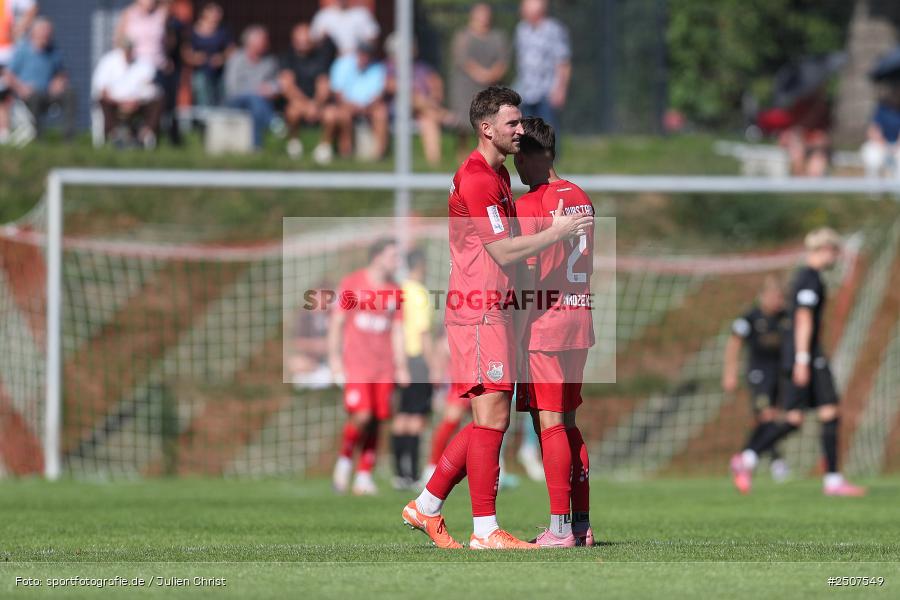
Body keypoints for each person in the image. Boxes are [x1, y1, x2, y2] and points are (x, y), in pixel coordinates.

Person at [400, 86, 593, 550]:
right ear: (486, 128)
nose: (520, 129)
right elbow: (503, 249)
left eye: (522, 122)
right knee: (492, 420)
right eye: (512, 123)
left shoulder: (499, 174)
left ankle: (426, 506)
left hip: (499, 310)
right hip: (480, 309)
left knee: (494, 419)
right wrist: (558, 231)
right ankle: (485, 530)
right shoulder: (478, 177)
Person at [730, 228, 866, 497]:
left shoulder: (802, 277)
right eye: (835, 250)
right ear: (825, 249)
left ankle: (747, 458)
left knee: (794, 419)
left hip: (799, 357)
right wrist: (804, 358)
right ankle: (833, 481)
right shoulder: (810, 278)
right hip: (808, 357)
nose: (836, 256)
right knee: (829, 412)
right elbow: (803, 317)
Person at [513, 116, 595, 548]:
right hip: (580, 320)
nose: (515, 170)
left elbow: (526, 274)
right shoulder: (581, 197)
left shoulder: (529, 206)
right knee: (569, 422)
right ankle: (581, 525)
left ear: (531, 158)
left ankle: (559, 528)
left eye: (517, 160)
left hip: (545, 325)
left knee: (550, 425)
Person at [330, 238, 409, 496]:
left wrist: (401, 366)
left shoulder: (396, 291)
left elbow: (397, 330)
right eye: (392, 256)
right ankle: (343, 463)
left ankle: (364, 475)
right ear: (377, 257)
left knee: (377, 419)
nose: (396, 261)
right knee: (362, 415)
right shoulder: (353, 283)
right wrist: (334, 359)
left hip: (383, 367)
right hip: (357, 365)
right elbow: (338, 322)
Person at [722, 276, 790, 484]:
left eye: (780, 297)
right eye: (773, 296)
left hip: (780, 374)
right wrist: (730, 373)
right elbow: (734, 344)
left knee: (773, 419)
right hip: (759, 374)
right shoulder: (749, 318)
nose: (777, 301)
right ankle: (772, 461)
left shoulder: (785, 317)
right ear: (762, 297)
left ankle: (746, 458)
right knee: (767, 416)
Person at [391, 249, 435, 490]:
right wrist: (434, 365)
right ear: (420, 265)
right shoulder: (419, 293)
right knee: (416, 419)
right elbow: (423, 332)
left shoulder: (400, 290)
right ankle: (415, 473)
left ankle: (400, 473)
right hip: (417, 359)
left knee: (402, 416)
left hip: (401, 359)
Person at [450, 3, 509, 161]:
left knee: (489, 121)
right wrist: (480, 74)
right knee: (464, 122)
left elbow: (503, 62)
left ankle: (489, 154)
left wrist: (491, 75)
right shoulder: (463, 36)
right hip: (466, 86)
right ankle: (462, 155)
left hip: (490, 86)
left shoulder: (498, 37)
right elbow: (462, 59)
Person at [315, 41, 386, 164]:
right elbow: (337, 93)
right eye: (362, 53)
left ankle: (378, 155)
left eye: (367, 54)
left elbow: (378, 94)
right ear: (357, 53)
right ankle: (345, 152)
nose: (364, 57)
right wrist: (351, 106)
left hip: (369, 107)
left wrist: (365, 107)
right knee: (342, 115)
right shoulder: (342, 64)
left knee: (381, 112)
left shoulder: (378, 68)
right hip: (345, 105)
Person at [385, 33, 450, 166]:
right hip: (398, 108)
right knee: (412, 98)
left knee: (429, 120)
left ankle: (434, 162)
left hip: (422, 111)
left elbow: (436, 85)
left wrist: (434, 95)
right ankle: (441, 114)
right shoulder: (390, 67)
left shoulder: (422, 67)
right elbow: (391, 86)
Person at [7, 17, 76, 139]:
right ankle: (38, 137)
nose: (46, 35)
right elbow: (9, 75)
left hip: (49, 94)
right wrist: (22, 88)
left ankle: (68, 137)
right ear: (34, 33)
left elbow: (62, 73)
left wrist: (58, 81)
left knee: (70, 93)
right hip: (29, 96)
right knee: (35, 97)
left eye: (48, 32)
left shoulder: (53, 51)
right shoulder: (23, 50)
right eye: (43, 31)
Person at [514, 0, 570, 141]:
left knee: (547, 131)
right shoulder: (521, 29)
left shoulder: (554, 29)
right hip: (526, 90)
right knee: (526, 132)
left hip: (547, 90)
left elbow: (563, 61)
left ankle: (549, 161)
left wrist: (560, 89)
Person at [92, 39, 162, 148]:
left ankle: (144, 134)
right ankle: (116, 135)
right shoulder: (108, 61)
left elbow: (150, 87)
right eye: (125, 49)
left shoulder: (143, 63)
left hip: (137, 103)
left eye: (130, 49)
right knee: (103, 103)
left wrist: (135, 101)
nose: (128, 52)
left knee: (158, 101)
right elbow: (102, 90)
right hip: (114, 102)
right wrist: (121, 102)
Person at [279, 22, 335, 159]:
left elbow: (323, 85)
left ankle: (324, 147)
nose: (303, 44)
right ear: (294, 41)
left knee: (332, 115)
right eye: (300, 41)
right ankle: (294, 143)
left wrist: (315, 104)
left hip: (317, 103)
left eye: (306, 41)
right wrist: (306, 106)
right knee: (292, 111)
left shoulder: (320, 57)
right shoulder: (287, 57)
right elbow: (288, 87)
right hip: (299, 103)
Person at [224, 25, 278, 149]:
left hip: (260, 102)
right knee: (254, 98)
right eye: (262, 41)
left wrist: (271, 89)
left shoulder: (270, 61)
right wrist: (256, 91)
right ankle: (272, 122)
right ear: (250, 43)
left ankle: (256, 145)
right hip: (235, 100)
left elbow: (276, 83)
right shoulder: (236, 59)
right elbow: (232, 88)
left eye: (265, 41)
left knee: (256, 105)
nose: (265, 44)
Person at [0, 0, 38, 142]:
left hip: (6, 53)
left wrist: (18, 29)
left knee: (3, 96)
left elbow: (32, 8)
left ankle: (4, 134)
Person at [186, 1, 232, 107]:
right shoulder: (193, 30)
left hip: (219, 72)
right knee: (203, 98)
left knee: (220, 100)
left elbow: (231, 49)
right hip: (200, 71)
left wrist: (222, 58)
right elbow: (186, 51)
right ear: (204, 13)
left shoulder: (223, 31)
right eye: (213, 12)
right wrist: (195, 58)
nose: (216, 15)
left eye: (218, 12)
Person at [289, 280, 333, 390]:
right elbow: (298, 342)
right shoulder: (305, 316)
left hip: (332, 360)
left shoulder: (335, 316)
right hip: (312, 362)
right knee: (296, 363)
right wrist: (319, 346)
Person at [310, 0, 379, 57]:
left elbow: (373, 38)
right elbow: (312, 41)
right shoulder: (323, 15)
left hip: (357, 59)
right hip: (331, 60)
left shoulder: (362, 14)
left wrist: (355, 50)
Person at [115, 0, 168, 71]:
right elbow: (119, 40)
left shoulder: (163, 13)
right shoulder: (128, 14)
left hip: (158, 67)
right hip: (134, 68)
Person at [860, 85, 900, 179]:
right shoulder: (881, 108)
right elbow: (873, 130)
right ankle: (874, 189)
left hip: (897, 146)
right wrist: (884, 144)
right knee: (872, 154)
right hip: (881, 144)